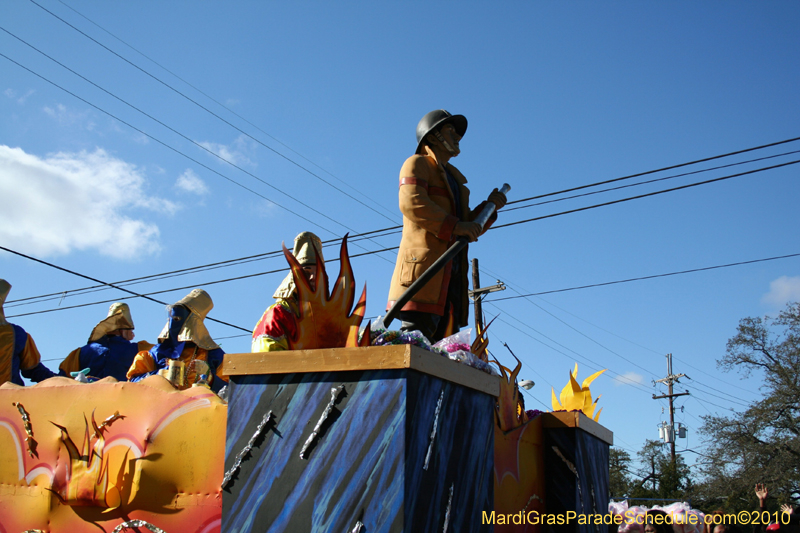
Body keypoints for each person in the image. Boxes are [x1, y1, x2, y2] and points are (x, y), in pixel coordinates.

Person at [386, 109, 507, 343]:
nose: (457, 137)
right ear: (432, 137)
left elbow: (468, 227)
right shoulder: (416, 164)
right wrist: (455, 226)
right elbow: (412, 203)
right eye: (450, 130)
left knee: (443, 351)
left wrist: (490, 207)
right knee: (415, 345)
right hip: (422, 276)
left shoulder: (456, 182)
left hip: (451, 280)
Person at [126, 289, 226, 391]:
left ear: (194, 323)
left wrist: (209, 377)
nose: (174, 324)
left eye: (178, 319)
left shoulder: (214, 355)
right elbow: (132, 384)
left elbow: (233, 393)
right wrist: (160, 375)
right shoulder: (156, 354)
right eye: (172, 319)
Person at [251, 231, 321, 352]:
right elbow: (265, 358)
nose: (313, 278)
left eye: (318, 274)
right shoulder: (279, 314)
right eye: (307, 273)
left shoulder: (326, 316)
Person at [59, 302, 153, 381]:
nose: (132, 333)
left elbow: (62, 380)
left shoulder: (80, 353)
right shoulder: (138, 350)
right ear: (122, 330)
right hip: (123, 400)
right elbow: (161, 355)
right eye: (129, 329)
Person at [0, 278, 56, 386]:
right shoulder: (15, 334)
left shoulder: (15, 334)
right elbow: (34, 370)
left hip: (8, 399)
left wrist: (63, 381)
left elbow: (33, 369)